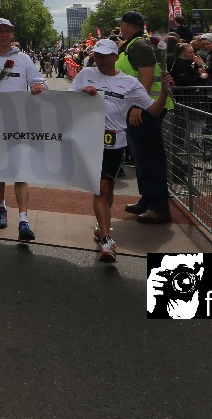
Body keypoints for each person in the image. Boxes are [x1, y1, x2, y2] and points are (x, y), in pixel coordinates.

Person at [71, 39, 173, 263]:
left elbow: (154, 111)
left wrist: (165, 93)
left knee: (107, 188)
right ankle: (107, 240)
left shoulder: (130, 83)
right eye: (97, 56)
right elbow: (67, 100)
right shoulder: (86, 74)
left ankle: (101, 225)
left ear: (115, 58)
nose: (100, 60)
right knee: (101, 188)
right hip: (90, 139)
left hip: (115, 142)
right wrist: (82, 95)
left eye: (105, 56)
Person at [0, 18, 48, 241]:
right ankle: (2, 207)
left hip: (19, 122)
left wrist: (39, 86)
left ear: (12, 34)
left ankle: (23, 219)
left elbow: (40, 81)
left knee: (21, 170)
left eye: (8, 31)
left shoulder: (24, 59)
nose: (4, 34)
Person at [116, 11, 174, 225]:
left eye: (121, 24)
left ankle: (158, 207)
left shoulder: (138, 45)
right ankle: (148, 199)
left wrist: (138, 105)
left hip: (147, 108)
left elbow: (146, 76)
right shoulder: (135, 44)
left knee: (150, 156)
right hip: (143, 107)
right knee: (141, 156)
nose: (120, 28)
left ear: (128, 26)